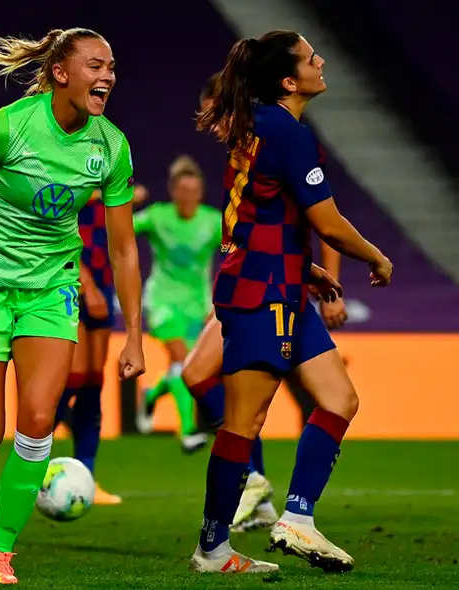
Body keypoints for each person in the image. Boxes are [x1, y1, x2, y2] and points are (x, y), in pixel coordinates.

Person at [0, 28, 145, 584]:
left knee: (38, 420)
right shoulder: (7, 127)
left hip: (51, 288)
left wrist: (134, 333)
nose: (107, 76)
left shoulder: (111, 147)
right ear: (61, 73)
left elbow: (124, 247)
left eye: (111, 66)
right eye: (95, 65)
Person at [188, 31, 392, 574]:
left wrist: (305, 268)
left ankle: (297, 517)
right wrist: (376, 257)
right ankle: (212, 548)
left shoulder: (260, 124)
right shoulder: (285, 131)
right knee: (243, 422)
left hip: (282, 284)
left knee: (339, 400)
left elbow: (259, 214)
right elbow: (328, 222)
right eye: (309, 58)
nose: (320, 61)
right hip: (263, 292)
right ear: (288, 80)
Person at [181, 71, 350, 535]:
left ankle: (269, 501)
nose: (215, 126)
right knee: (201, 377)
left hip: (274, 290)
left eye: (218, 114)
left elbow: (325, 220)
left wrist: (332, 282)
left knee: (287, 405)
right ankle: (257, 487)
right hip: (253, 283)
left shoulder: (277, 142)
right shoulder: (243, 153)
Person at [54, 182, 148, 506]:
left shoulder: (107, 189)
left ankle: (86, 476)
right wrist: (88, 285)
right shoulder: (70, 186)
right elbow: (60, 234)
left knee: (93, 381)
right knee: (74, 375)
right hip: (67, 280)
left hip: (103, 282)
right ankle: (30, 463)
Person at [130, 155, 221, 454]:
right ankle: (188, 431)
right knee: (182, 359)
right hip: (162, 301)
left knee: (188, 368)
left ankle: (152, 395)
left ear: (201, 192)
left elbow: (240, 248)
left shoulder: (212, 221)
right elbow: (120, 226)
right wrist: (126, 201)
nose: (187, 197)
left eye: (193, 191)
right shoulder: (158, 216)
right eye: (182, 190)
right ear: (172, 191)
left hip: (197, 306)